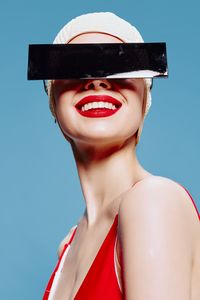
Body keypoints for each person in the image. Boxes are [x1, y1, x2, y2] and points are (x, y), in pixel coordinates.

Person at [42, 12, 200, 300]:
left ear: (144, 102)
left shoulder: (153, 201)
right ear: (54, 103)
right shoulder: (68, 248)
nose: (97, 81)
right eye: (75, 67)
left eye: (120, 65)